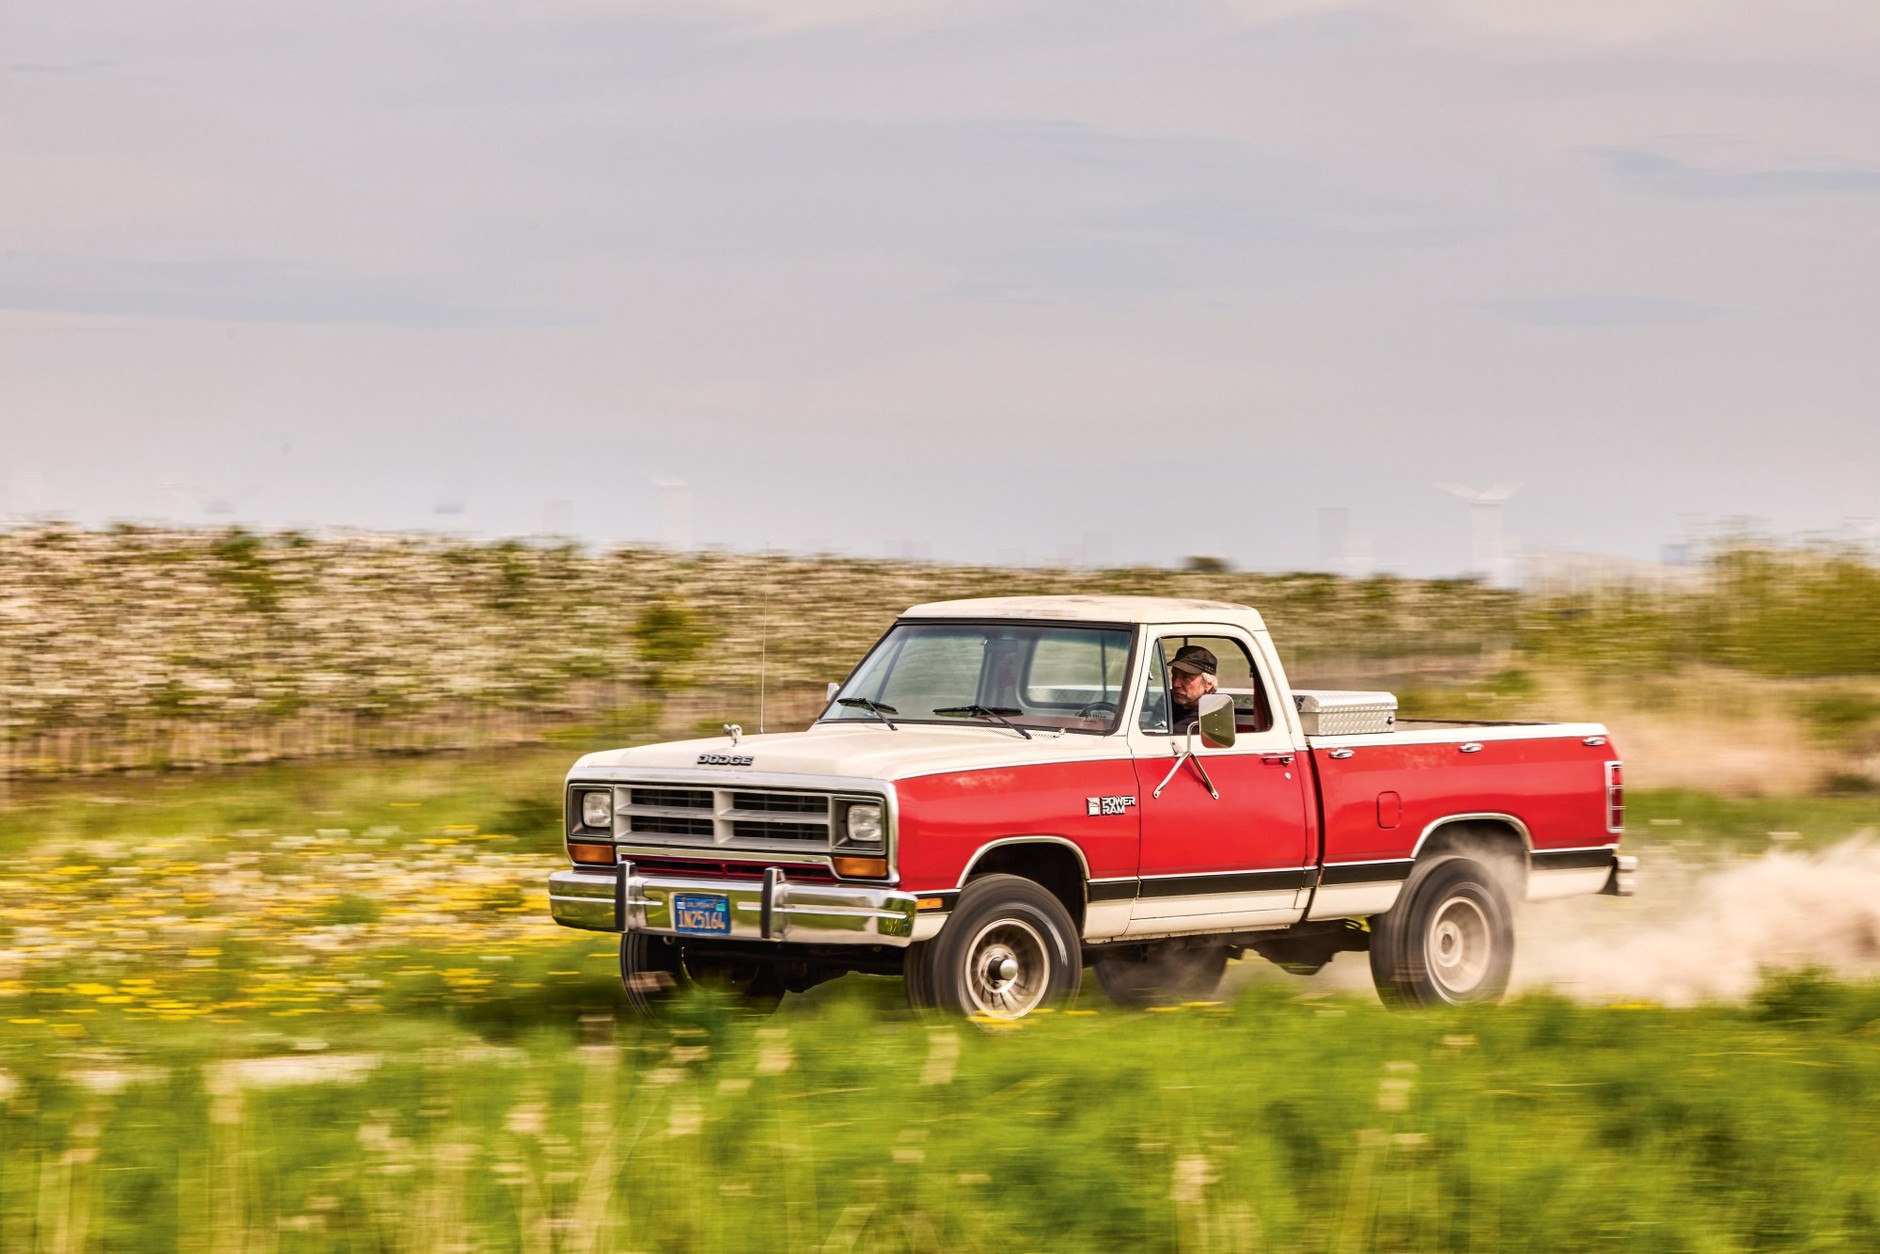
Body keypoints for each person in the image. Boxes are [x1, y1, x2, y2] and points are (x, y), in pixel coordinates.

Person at [1167, 644, 1218, 729]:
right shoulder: (1167, 700)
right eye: (1174, 675)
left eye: (1186, 677)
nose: (1176, 684)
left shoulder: (1211, 715)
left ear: (1208, 684)